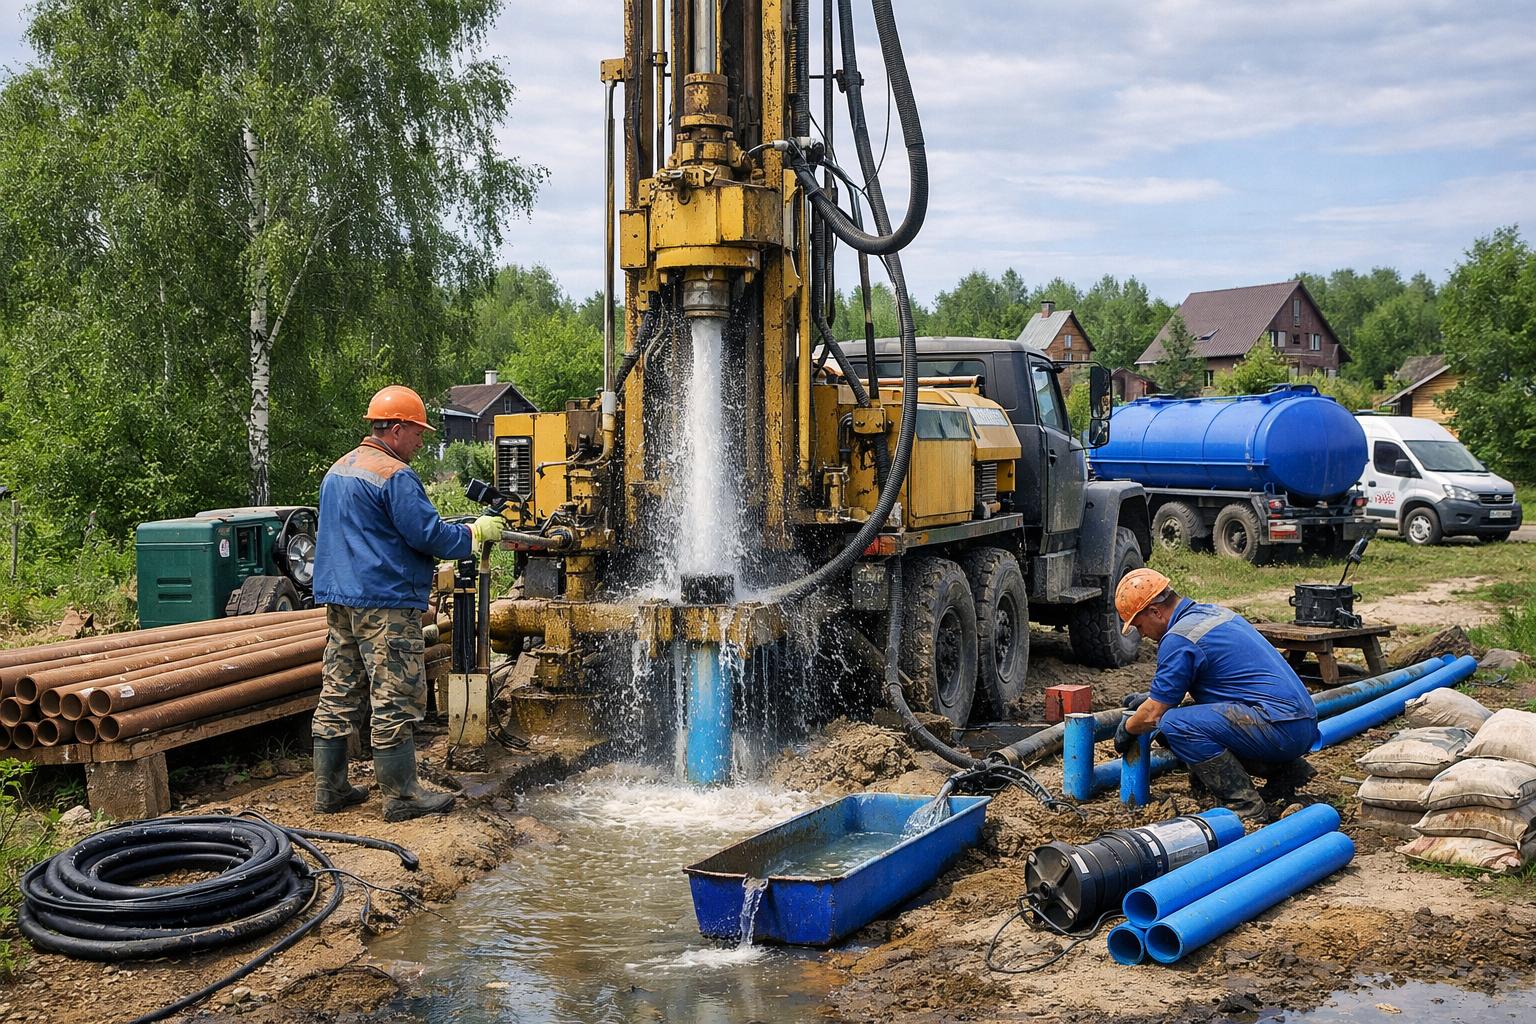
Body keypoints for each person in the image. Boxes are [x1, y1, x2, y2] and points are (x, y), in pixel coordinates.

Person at [310, 384, 507, 821]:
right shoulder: (395, 475)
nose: (421, 442)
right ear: (396, 429)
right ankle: (401, 797)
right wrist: (475, 534)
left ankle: (330, 788)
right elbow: (428, 535)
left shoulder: (339, 469)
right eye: (417, 433)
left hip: (340, 598)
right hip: (384, 600)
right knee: (394, 694)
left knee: (339, 688)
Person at [1113, 568, 1318, 819]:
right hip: (1298, 721)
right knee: (1183, 719)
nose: (1141, 634)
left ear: (1155, 611)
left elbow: (1153, 714)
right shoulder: (1213, 613)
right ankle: (1286, 771)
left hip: (1279, 728)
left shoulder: (1178, 638)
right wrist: (1152, 696)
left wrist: (1128, 728)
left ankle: (1245, 805)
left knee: (1174, 724)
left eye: (1139, 625)